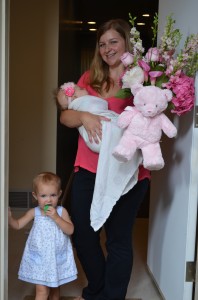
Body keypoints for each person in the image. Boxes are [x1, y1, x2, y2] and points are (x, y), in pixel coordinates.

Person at [58, 18, 151, 300]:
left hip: (127, 170)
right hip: (88, 167)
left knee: (118, 239)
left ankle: (111, 297)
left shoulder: (142, 79)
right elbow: (65, 115)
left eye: (113, 41)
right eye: (102, 44)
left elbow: (150, 120)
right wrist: (84, 116)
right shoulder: (90, 78)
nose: (107, 48)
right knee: (83, 235)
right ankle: (96, 289)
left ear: (126, 43)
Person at [8, 171, 77, 300]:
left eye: (53, 195)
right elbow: (17, 225)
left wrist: (56, 217)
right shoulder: (34, 212)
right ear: (35, 196)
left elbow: (70, 230)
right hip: (39, 258)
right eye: (43, 195)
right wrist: (10, 218)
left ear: (59, 194)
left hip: (56, 258)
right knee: (41, 292)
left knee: (55, 292)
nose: (48, 199)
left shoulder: (62, 212)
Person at [56, 82, 118, 153]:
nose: (85, 88)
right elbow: (62, 118)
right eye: (81, 89)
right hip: (97, 141)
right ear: (75, 97)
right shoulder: (87, 79)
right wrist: (83, 116)